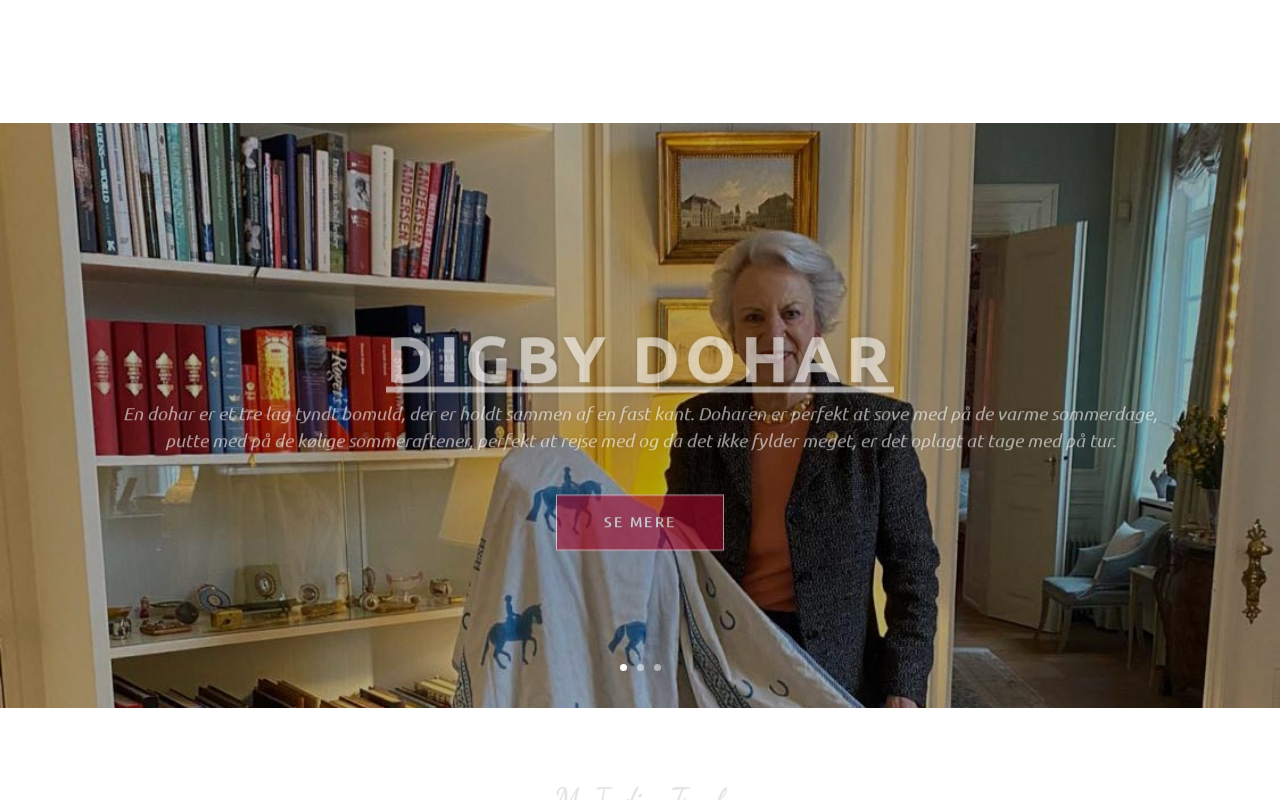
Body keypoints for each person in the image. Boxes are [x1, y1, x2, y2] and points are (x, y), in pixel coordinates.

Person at [664, 230, 940, 707]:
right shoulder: (702, 423)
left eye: (791, 313)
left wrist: (904, 686)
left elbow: (912, 570)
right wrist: (570, 524)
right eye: (753, 317)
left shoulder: (875, 427)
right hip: (724, 663)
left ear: (817, 324)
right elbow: (676, 549)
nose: (773, 334)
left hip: (834, 674)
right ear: (734, 334)